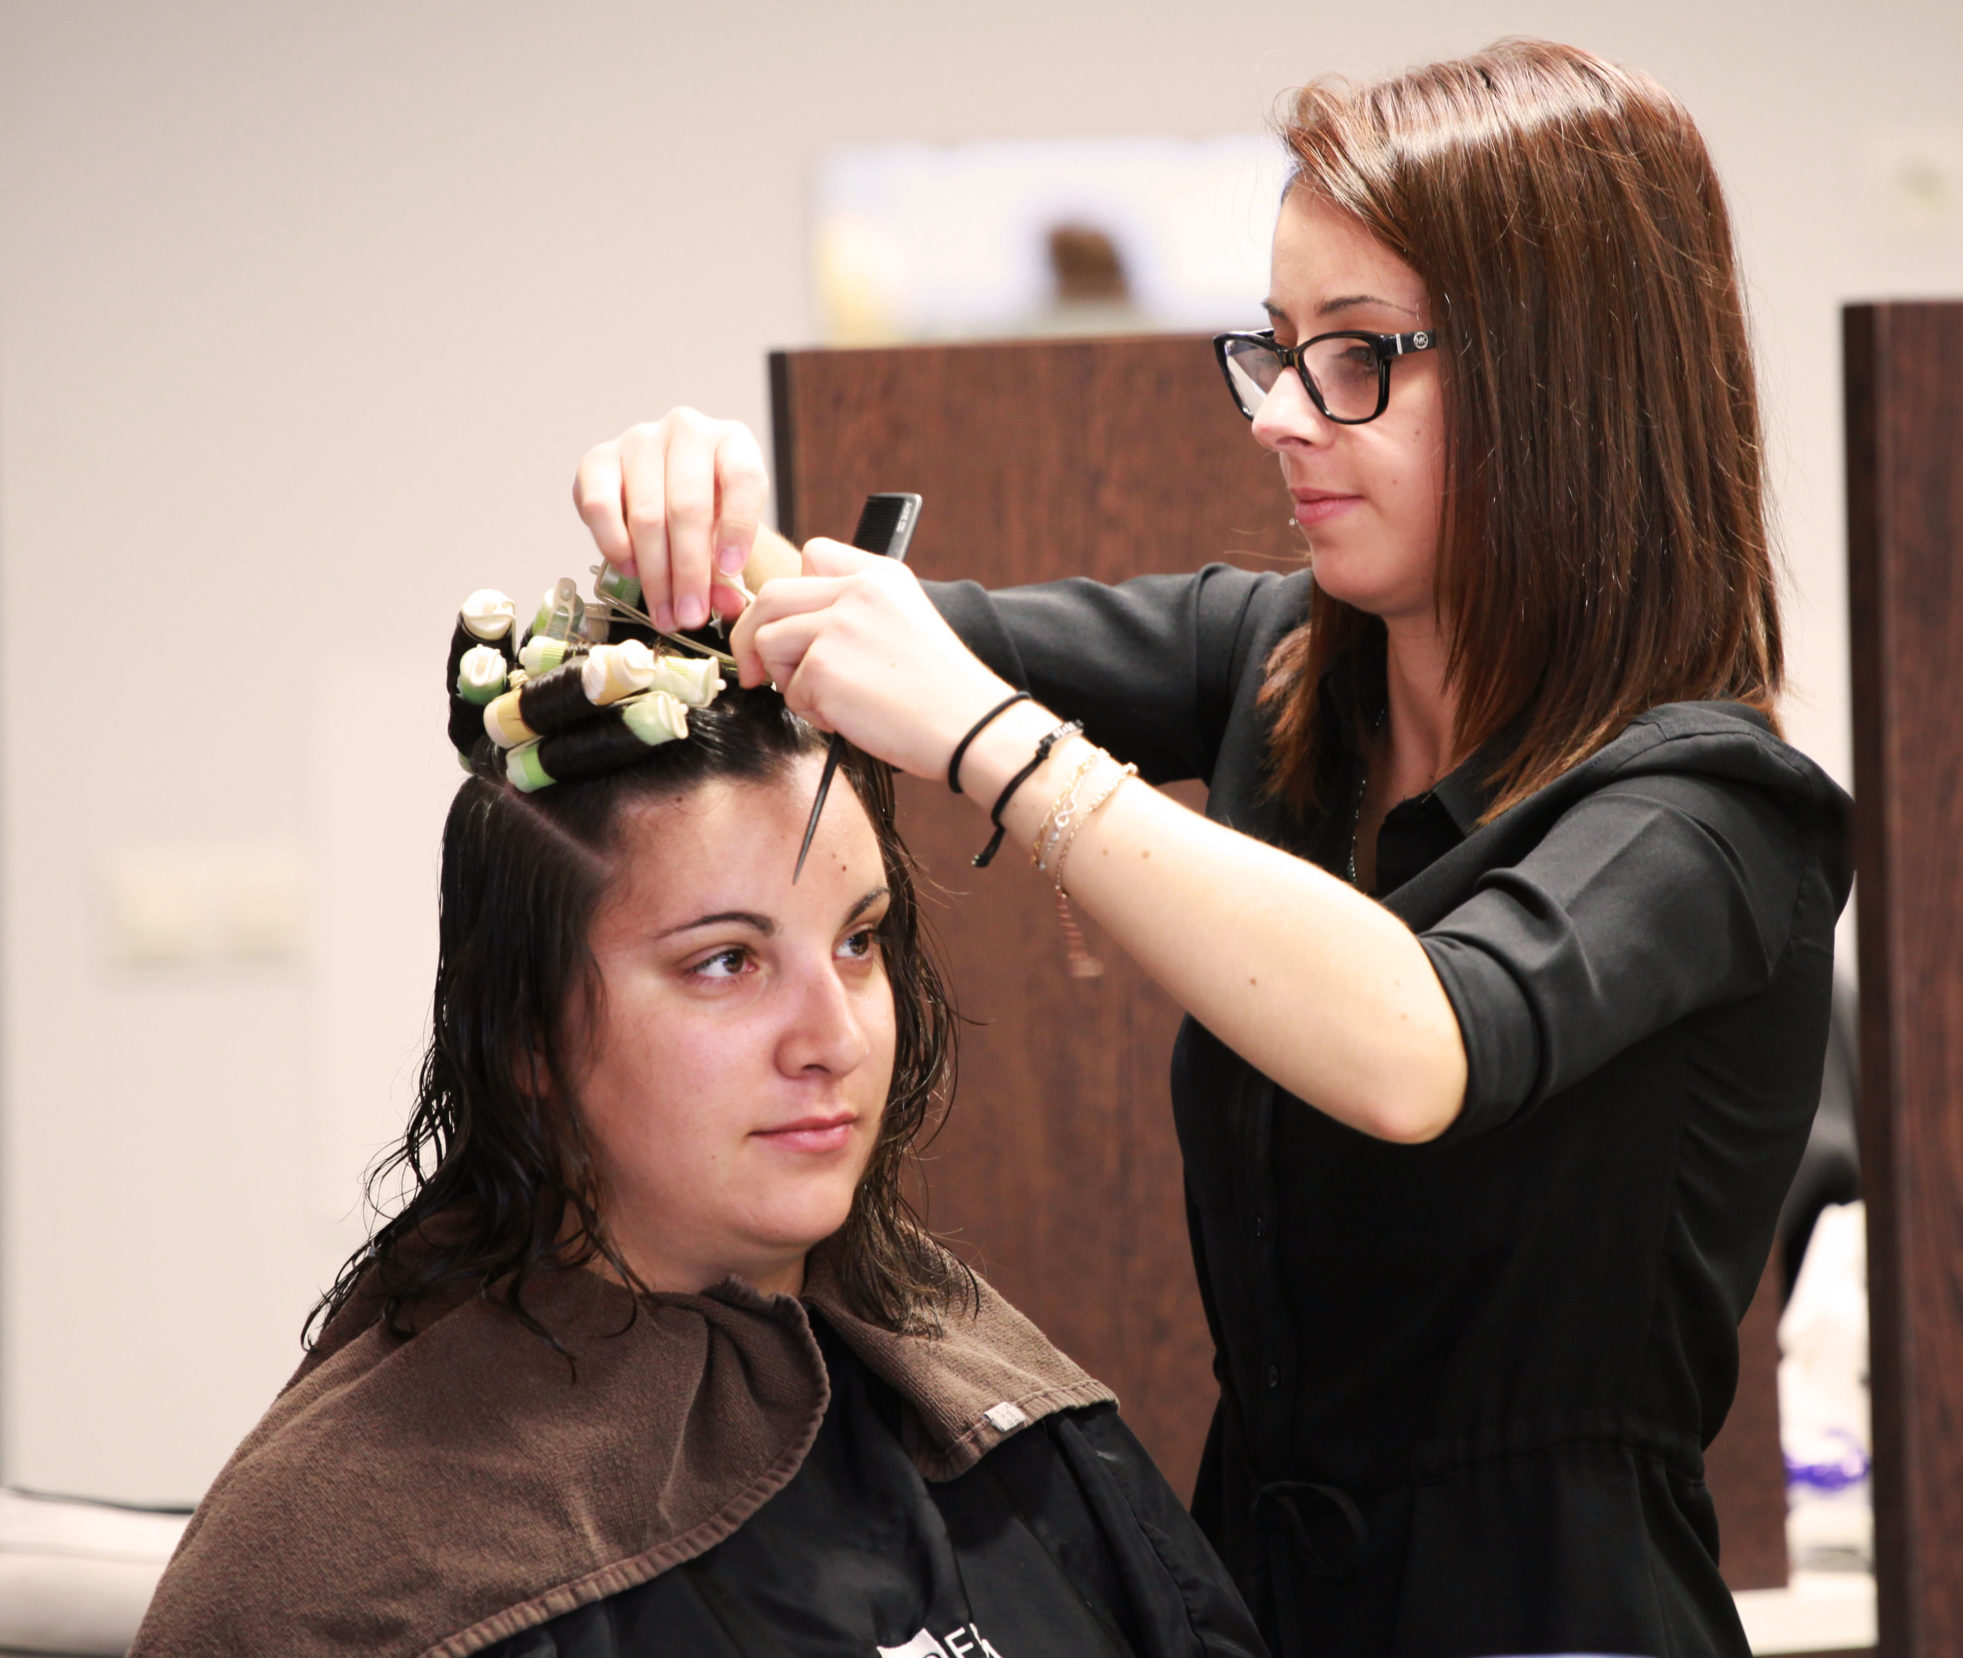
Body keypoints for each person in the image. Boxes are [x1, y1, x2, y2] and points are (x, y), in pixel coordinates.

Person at [575, 38, 1851, 1658]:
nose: (1286, 418)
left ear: (1564, 383)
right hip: (1253, 1593)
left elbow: (1421, 1041)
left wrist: (994, 743)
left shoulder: (1717, 811)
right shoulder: (1277, 669)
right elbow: (835, 632)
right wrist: (694, 512)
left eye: (1363, 355)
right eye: (1278, 349)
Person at [131, 609, 1263, 1658]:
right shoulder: (343, 1552)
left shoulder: (960, 1357)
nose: (836, 1035)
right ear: (525, 1026)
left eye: (860, 942)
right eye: (727, 960)